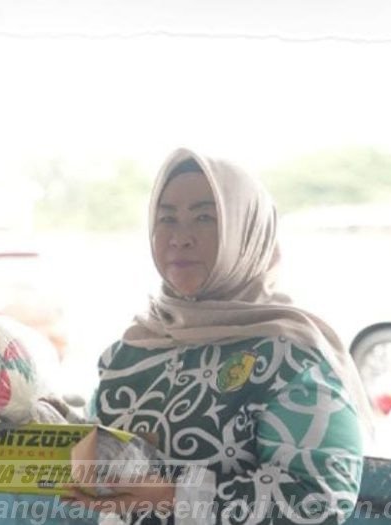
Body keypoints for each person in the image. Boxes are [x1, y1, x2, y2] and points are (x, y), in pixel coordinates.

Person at [70, 148, 370, 524]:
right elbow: (98, 461)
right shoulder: (129, 352)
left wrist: (173, 496)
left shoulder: (289, 358)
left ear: (245, 232)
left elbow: (320, 500)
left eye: (205, 217)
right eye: (167, 218)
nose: (180, 238)